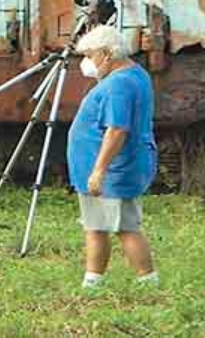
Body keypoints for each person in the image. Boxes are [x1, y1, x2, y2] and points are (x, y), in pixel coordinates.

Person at [66, 24, 159, 289]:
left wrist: (99, 170)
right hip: (113, 168)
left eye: (89, 55)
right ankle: (92, 283)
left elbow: (117, 130)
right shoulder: (134, 74)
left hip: (113, 170)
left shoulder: (118, 85)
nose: (86, 63)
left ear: (106, 54)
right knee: (96, 226)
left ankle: (148, 284)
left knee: (126, 227)